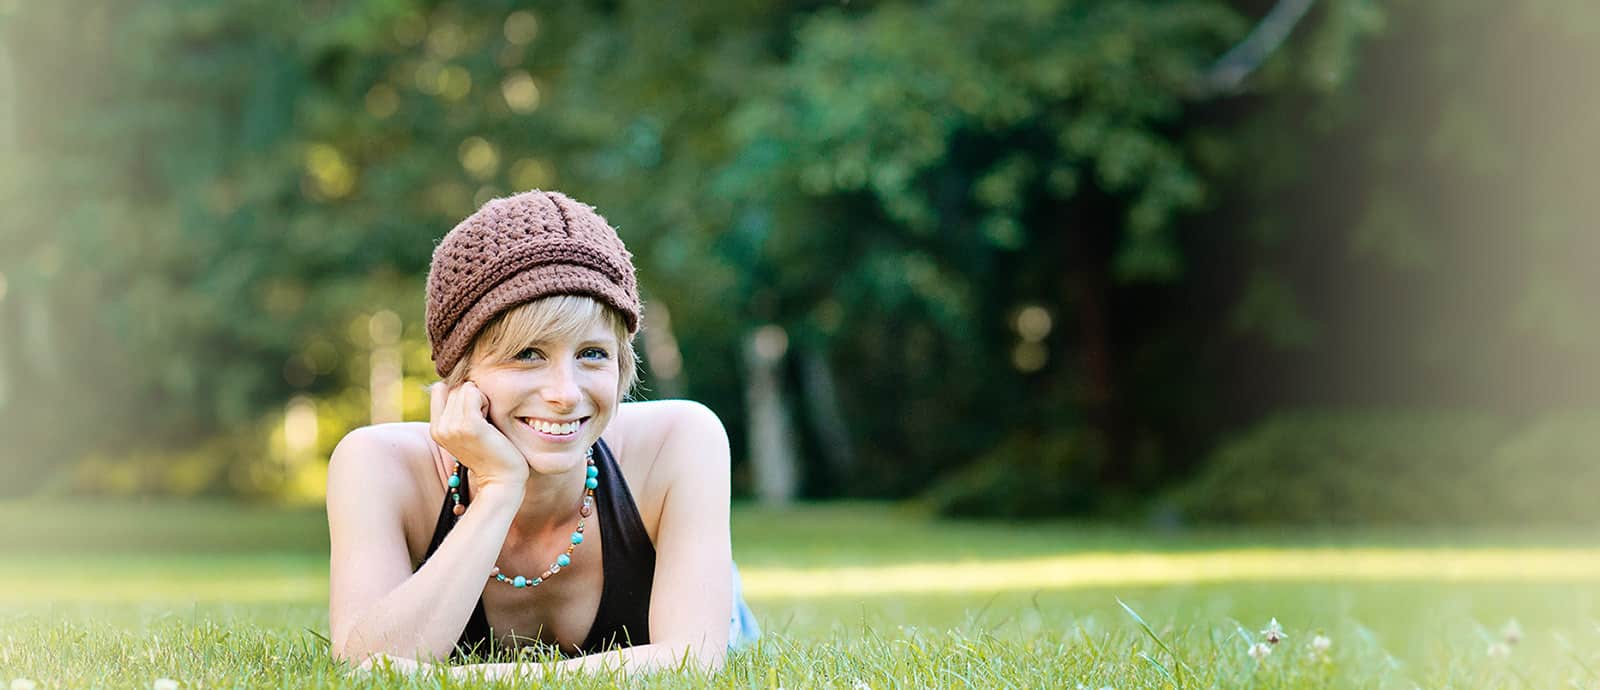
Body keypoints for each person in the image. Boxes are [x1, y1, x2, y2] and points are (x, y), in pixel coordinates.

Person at [326, 190, 759, 679]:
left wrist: (456, 681)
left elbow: (693, 661)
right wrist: (498, 490)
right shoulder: (377, 464)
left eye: (592, 353)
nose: (565, 393)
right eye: (528, 353)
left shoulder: (680, 439)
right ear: (459, 371)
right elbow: (363, 665)